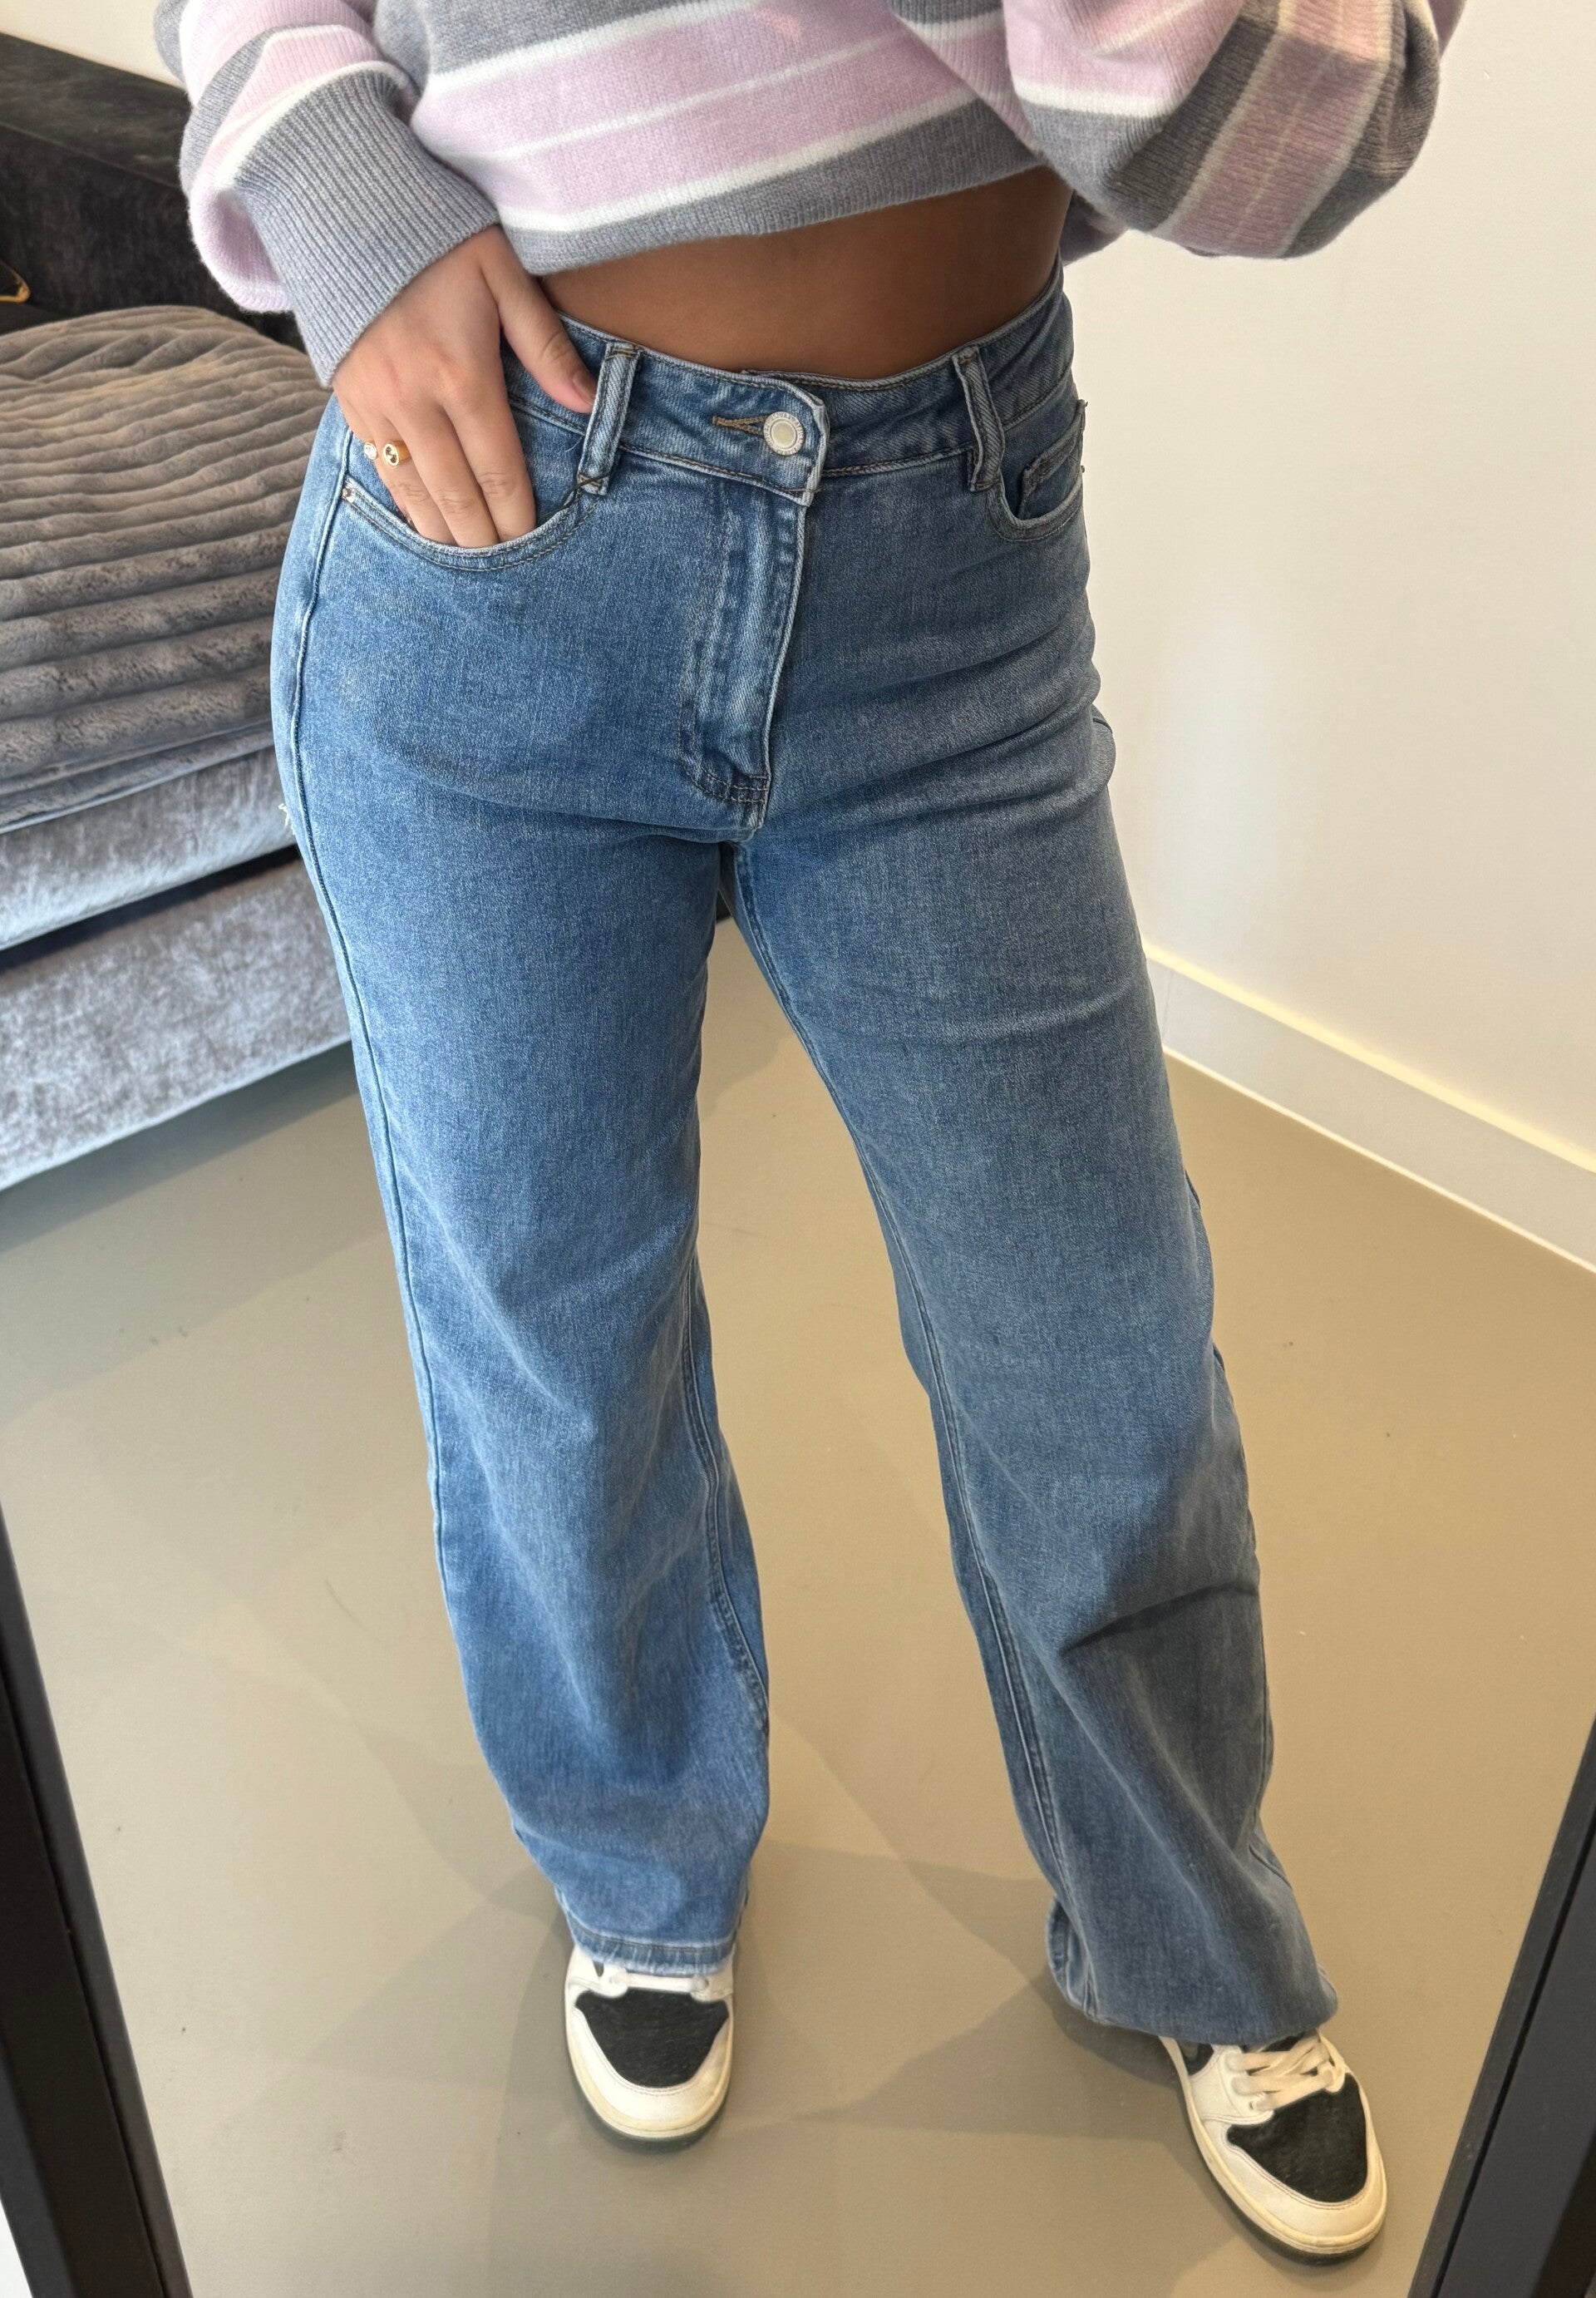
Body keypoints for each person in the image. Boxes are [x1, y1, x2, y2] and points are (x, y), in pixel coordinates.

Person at [157, 0, 1461, 2261]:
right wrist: (341, 202)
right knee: (557, 1334)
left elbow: (1300, 131)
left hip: (952, 566)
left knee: (1095, 1355)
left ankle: (1190, 1929)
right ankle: (638, 1864)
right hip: (497, 546)